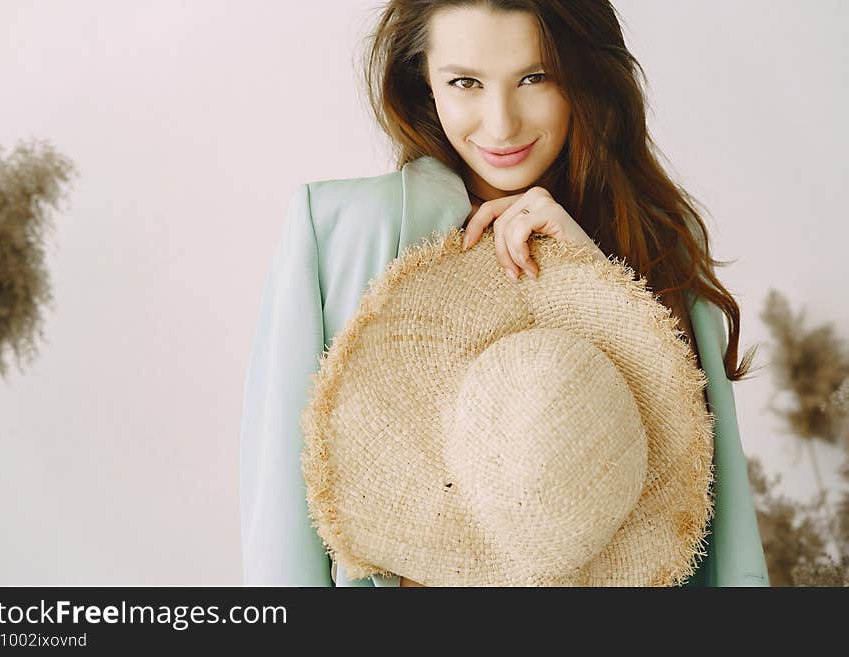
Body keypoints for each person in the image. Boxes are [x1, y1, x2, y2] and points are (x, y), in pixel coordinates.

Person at [239, 0, 769, 588]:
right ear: (423, 85)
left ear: (587, 76)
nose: (501, 124)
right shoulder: (338, 229)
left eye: (536, 78)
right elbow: (283, 528)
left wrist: (592, 281)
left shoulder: (660, 239)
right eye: (465, 82)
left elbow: (699, 521)